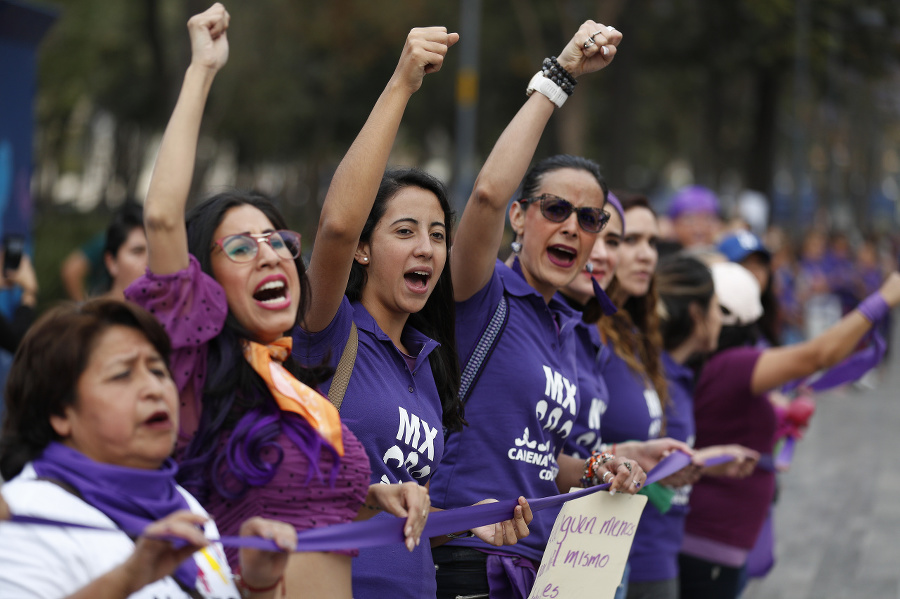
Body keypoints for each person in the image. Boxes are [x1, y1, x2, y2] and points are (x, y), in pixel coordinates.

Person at [126, 5, 428, 597]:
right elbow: (162, 217)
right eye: (240, 247)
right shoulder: (195, 368)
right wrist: (202, 70)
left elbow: (297, 506)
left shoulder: (290, 378)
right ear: (202, 283)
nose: (269, 255)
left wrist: (373, 496)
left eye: (277, 241)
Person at [430, 23, 687, 598]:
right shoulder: (483, 292)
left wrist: (603, 467)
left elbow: (543, 464)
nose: (573, 225)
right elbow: (487, 195)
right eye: (555, 208)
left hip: (546, 571)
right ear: (520, 218)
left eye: (591, 218)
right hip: (467, 561)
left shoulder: (568, 331)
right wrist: (560, 75)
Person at [291, 26, 531, 599]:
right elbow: (337, 225)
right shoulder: (330, 332)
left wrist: (463, 520)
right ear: (366, 250)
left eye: (438, 235)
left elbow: (403, 515)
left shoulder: (427, 365)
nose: (426, 248)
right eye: (405, 231)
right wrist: (401, 84)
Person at [0, 299, 296, 598]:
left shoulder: (182, 503)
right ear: (61, 413)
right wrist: (127, 579)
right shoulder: (22, 517)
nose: (154, 389)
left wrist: (258, 586)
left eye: (157, 370)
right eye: (122, 375)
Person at [679, 261, 900, 599]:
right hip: (711, 544)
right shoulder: (733, 364)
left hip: (714, 540)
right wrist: (882, 300)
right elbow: (818, 355)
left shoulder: (717, 364)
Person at [619, 255, 757, 599]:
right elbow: (623, 456)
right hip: (640, 551)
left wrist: (706, 460)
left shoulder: (678, 376)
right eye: (715, 308)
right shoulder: (642, 372)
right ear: (697, 314)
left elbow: (656, 459)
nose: (719, 321)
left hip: (662, 548)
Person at [102, 203, 149, 300]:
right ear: (111, 262)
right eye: (137, 251)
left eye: (155, 252)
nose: (149, 261)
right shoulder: (88, 314)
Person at [666, 185, 721, 250]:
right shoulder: (658, 257)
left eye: (708, 219)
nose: (699, 229)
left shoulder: (729, 256)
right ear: (674, 224)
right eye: (690, 220)